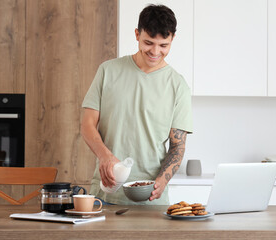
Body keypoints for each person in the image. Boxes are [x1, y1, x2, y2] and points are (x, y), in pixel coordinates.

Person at [81, 4, 193, 205]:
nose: (155, 52)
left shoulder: (178, 86)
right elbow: (87, 125)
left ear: (172, 39)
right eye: (148, 43)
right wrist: (105, 156)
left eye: (163, 45)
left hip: (151, 198)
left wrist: (162, 180)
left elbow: (177, 147)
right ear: (136, 34)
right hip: (106, 195)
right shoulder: (108, 71)